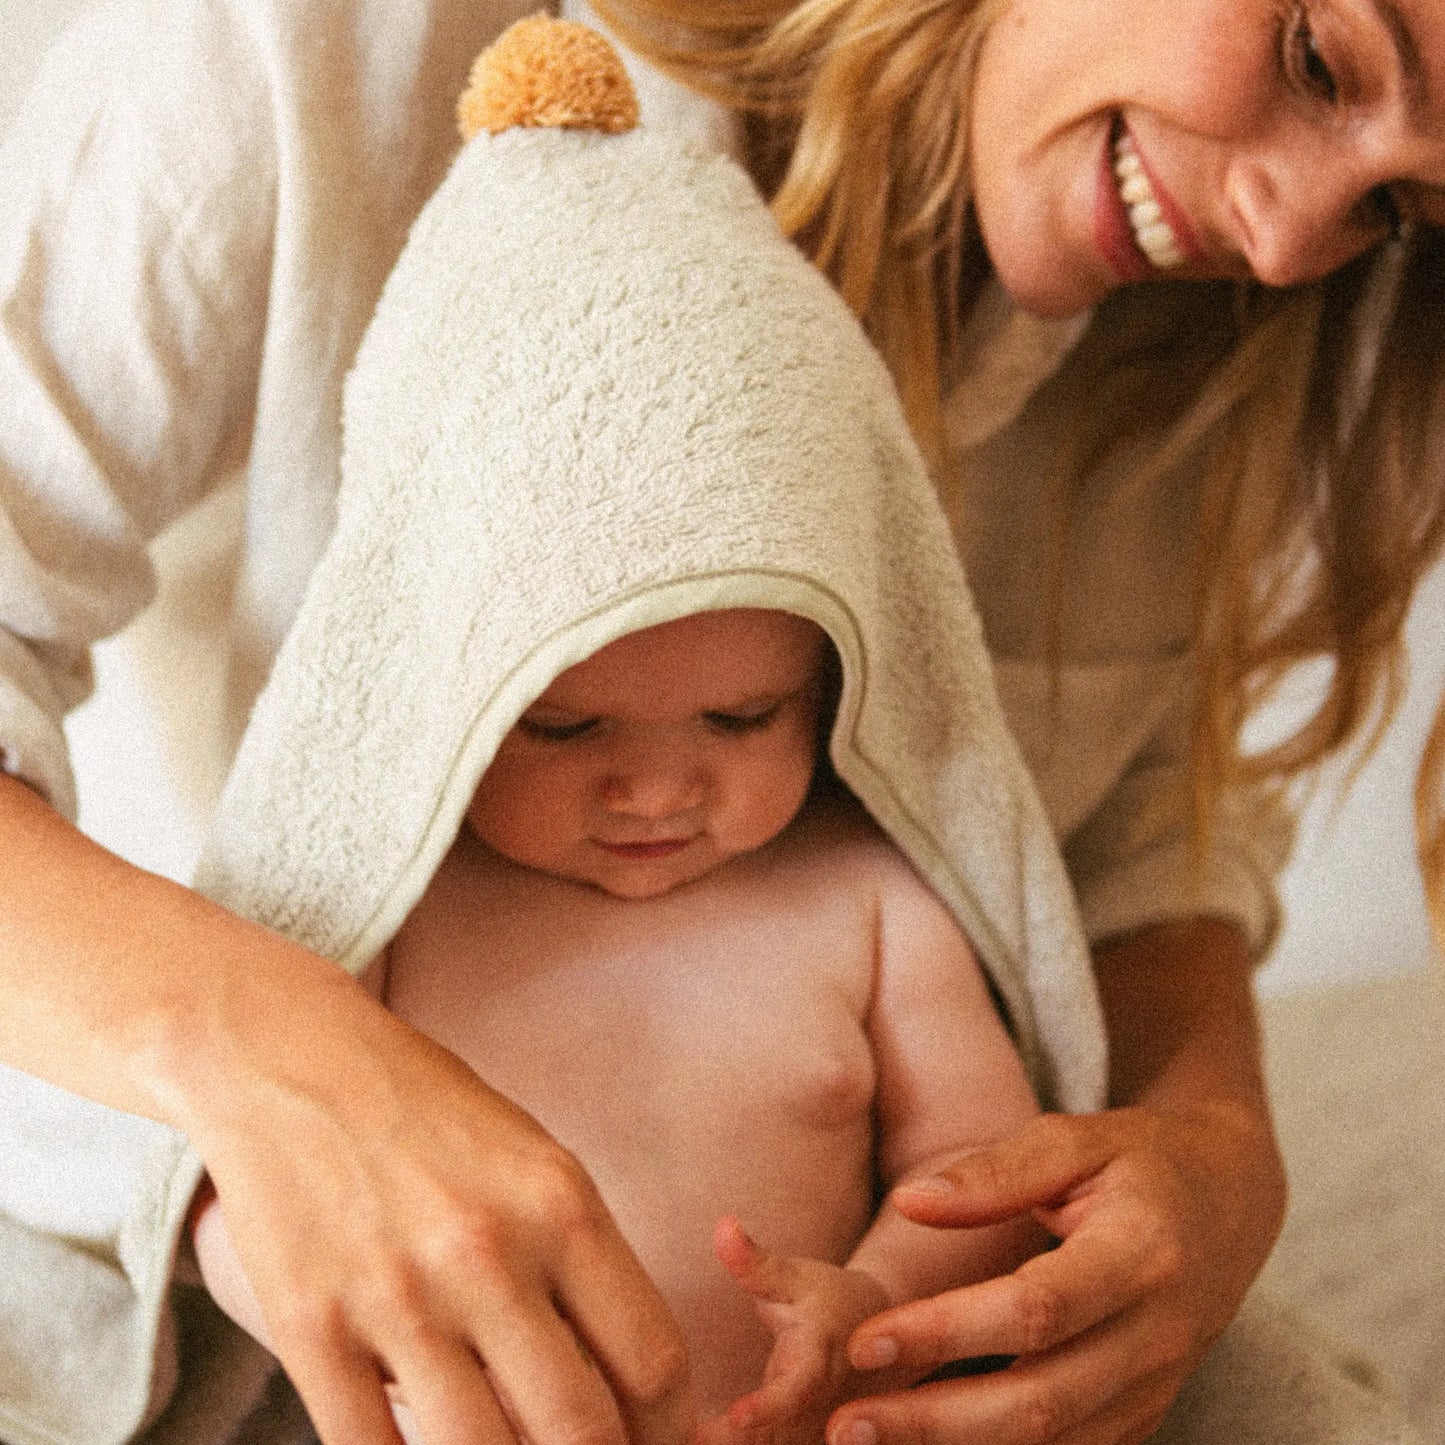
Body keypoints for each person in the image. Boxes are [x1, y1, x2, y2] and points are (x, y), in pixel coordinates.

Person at [0, 0, 1439, 1442]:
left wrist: (1211, 1138)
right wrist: (268, 1078)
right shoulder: (311, 41)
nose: (1283, 234)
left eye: (1398, 203)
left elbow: (1130, 843)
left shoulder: (1259, 331)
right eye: (1318, 56)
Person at [189, 606, 1047, 1445]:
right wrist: (392, 1360)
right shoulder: (387, 910)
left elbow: (986, 1163)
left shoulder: (869, 891)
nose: (654, 791)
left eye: (739, 718)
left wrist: (879, 1297)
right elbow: (236, 1189)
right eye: (562, 727)